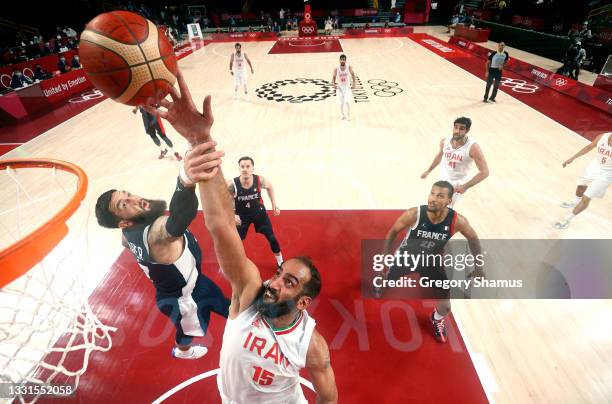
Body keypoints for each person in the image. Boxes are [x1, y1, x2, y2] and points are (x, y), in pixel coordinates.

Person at [144, 69, 338, 403]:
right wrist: (199, 141)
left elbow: (329, 399)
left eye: (289, 282)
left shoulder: (311, 345)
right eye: (280, 274)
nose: (274, 282)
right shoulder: (249, 294)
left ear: (304, 302)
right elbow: (220, 224)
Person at [94, 148, 230, 359]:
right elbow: (178, 220)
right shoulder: (155, 234)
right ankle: (183, 352)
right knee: (187, 334)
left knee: (225, 304)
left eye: (127, 194)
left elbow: (125, 242)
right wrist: (185, 181)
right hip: (183, 299)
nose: (133, 199)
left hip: (193, 282)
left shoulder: (127, 232)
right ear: (123, 221)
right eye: (123, 204)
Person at [379, 181, 483, 343]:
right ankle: (386, 278)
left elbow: (474, 240)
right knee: (386, 279)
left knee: (446, 306)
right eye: (432, 193)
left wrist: (479, 267)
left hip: (432, 263)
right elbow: (392, 233)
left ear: (449, 201)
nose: (433, 199)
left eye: (440, 196)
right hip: (407, 258)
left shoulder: (457, 221)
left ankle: (436, 318)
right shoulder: (414, 214)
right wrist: (383, 259)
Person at [420, 117, 489, 207]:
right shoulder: (445, 141)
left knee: (444, 208)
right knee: (433, 203)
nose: (457, 131)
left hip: (457, 184)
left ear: (467, 130)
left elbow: (485, 172)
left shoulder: (473, 148)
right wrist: (429, 170)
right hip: (442, 179)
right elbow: (440, 155)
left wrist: (465, 186)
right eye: (455, 127)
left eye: (461, 128)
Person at [229, 156, 283, 267]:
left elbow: (270, 187)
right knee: (235, 241)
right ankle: (235, 262)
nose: (245, 169)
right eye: (242, 166)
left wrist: (274, 205)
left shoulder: (259, 180)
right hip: (242, 216)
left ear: (252, 168)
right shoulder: (232, 184)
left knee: (272, 237)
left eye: (248, 166)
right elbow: (223, 200)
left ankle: (280, 262)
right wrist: (232, 215)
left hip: (259, 213)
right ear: (239, 169)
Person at [554, 132, 612, 229]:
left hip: (606, 174)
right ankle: (576, 202)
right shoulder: (603, 136)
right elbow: (589, 147)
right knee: (580, 186)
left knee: (586, 198)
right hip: (594, 167)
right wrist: (572, 158)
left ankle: (567, 219)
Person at [332, 54, 355, 120]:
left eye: (343, 60)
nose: (342, 61)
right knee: (341, 103)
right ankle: (342, 115)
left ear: (345, 60)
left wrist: (354, 84)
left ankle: (348, 115)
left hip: (347, 87)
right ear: (339, 60)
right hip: (340, 87)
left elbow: (353, 75)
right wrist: (333, 84)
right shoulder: (336, 68)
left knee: (347, 101)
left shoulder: (349, 67)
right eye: (341, 60)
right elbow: (333, 77)